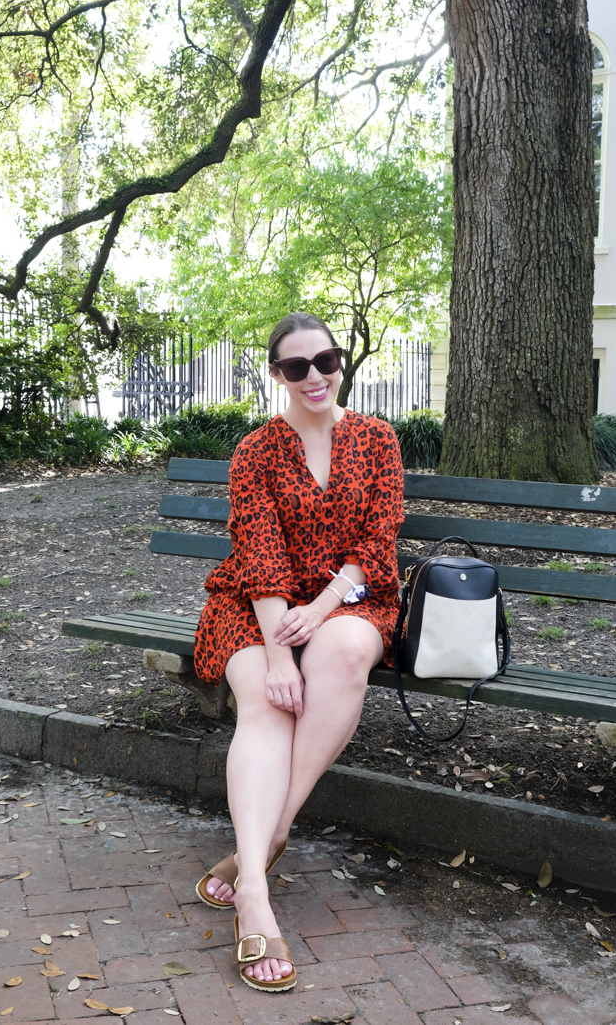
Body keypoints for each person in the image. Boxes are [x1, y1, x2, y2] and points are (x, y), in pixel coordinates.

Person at [193, 312, 404, 992]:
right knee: (265, 698)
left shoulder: (377, 440)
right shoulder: (256, 450)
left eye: (326, 361)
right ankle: (255, 889)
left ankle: (270, 833)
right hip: (256, 604)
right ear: (276, 374)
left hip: (349, 600)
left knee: (343, 654)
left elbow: (378, 544)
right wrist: (280, 652)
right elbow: (258, 553)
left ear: (341, 362)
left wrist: (322, 609)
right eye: (295, 367)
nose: (314, 376)